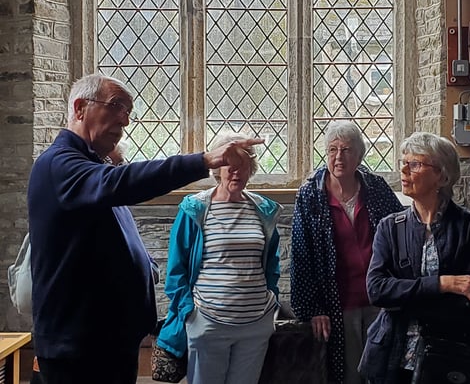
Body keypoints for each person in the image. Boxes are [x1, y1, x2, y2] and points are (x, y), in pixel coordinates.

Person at [27, 73, 263, 384]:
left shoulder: (93, 165)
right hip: (79, 349)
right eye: (116, 107)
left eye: (128, 111)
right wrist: (203, 160)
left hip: (108, 342)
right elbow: (121, 185)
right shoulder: (59, 164)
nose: (125, 121)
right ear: (81, 107)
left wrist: (144, 267)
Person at [359, 132, 470, 384]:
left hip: (449, 357)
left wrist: (403, 298)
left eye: (415, 164)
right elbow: (376, 291)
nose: (404, 170)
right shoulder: (390, 227)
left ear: (442, 176)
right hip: (393, 357)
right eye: (403, 162)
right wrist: (443, 284)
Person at [156, 131, 282, 384]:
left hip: (255, 323)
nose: (235, 172)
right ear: (217, 168)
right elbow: (176, 269)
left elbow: (271, 264)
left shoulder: (263, 210)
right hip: (209, 322)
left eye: (242, 166)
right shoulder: (195, 209)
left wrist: (271, 301)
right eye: (229, 165)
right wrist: (190, 313)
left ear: (251, 169)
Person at [290, 120, 404, 384]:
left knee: (385, 372)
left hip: (381, 298)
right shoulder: (310, 195)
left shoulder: (375, 188)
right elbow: (301, 255)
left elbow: (401, 232)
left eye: (347, 150)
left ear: (360, 156)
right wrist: (312, 308)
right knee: (349, 374)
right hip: (339, 303)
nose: (339, 157)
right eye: (332, 150)